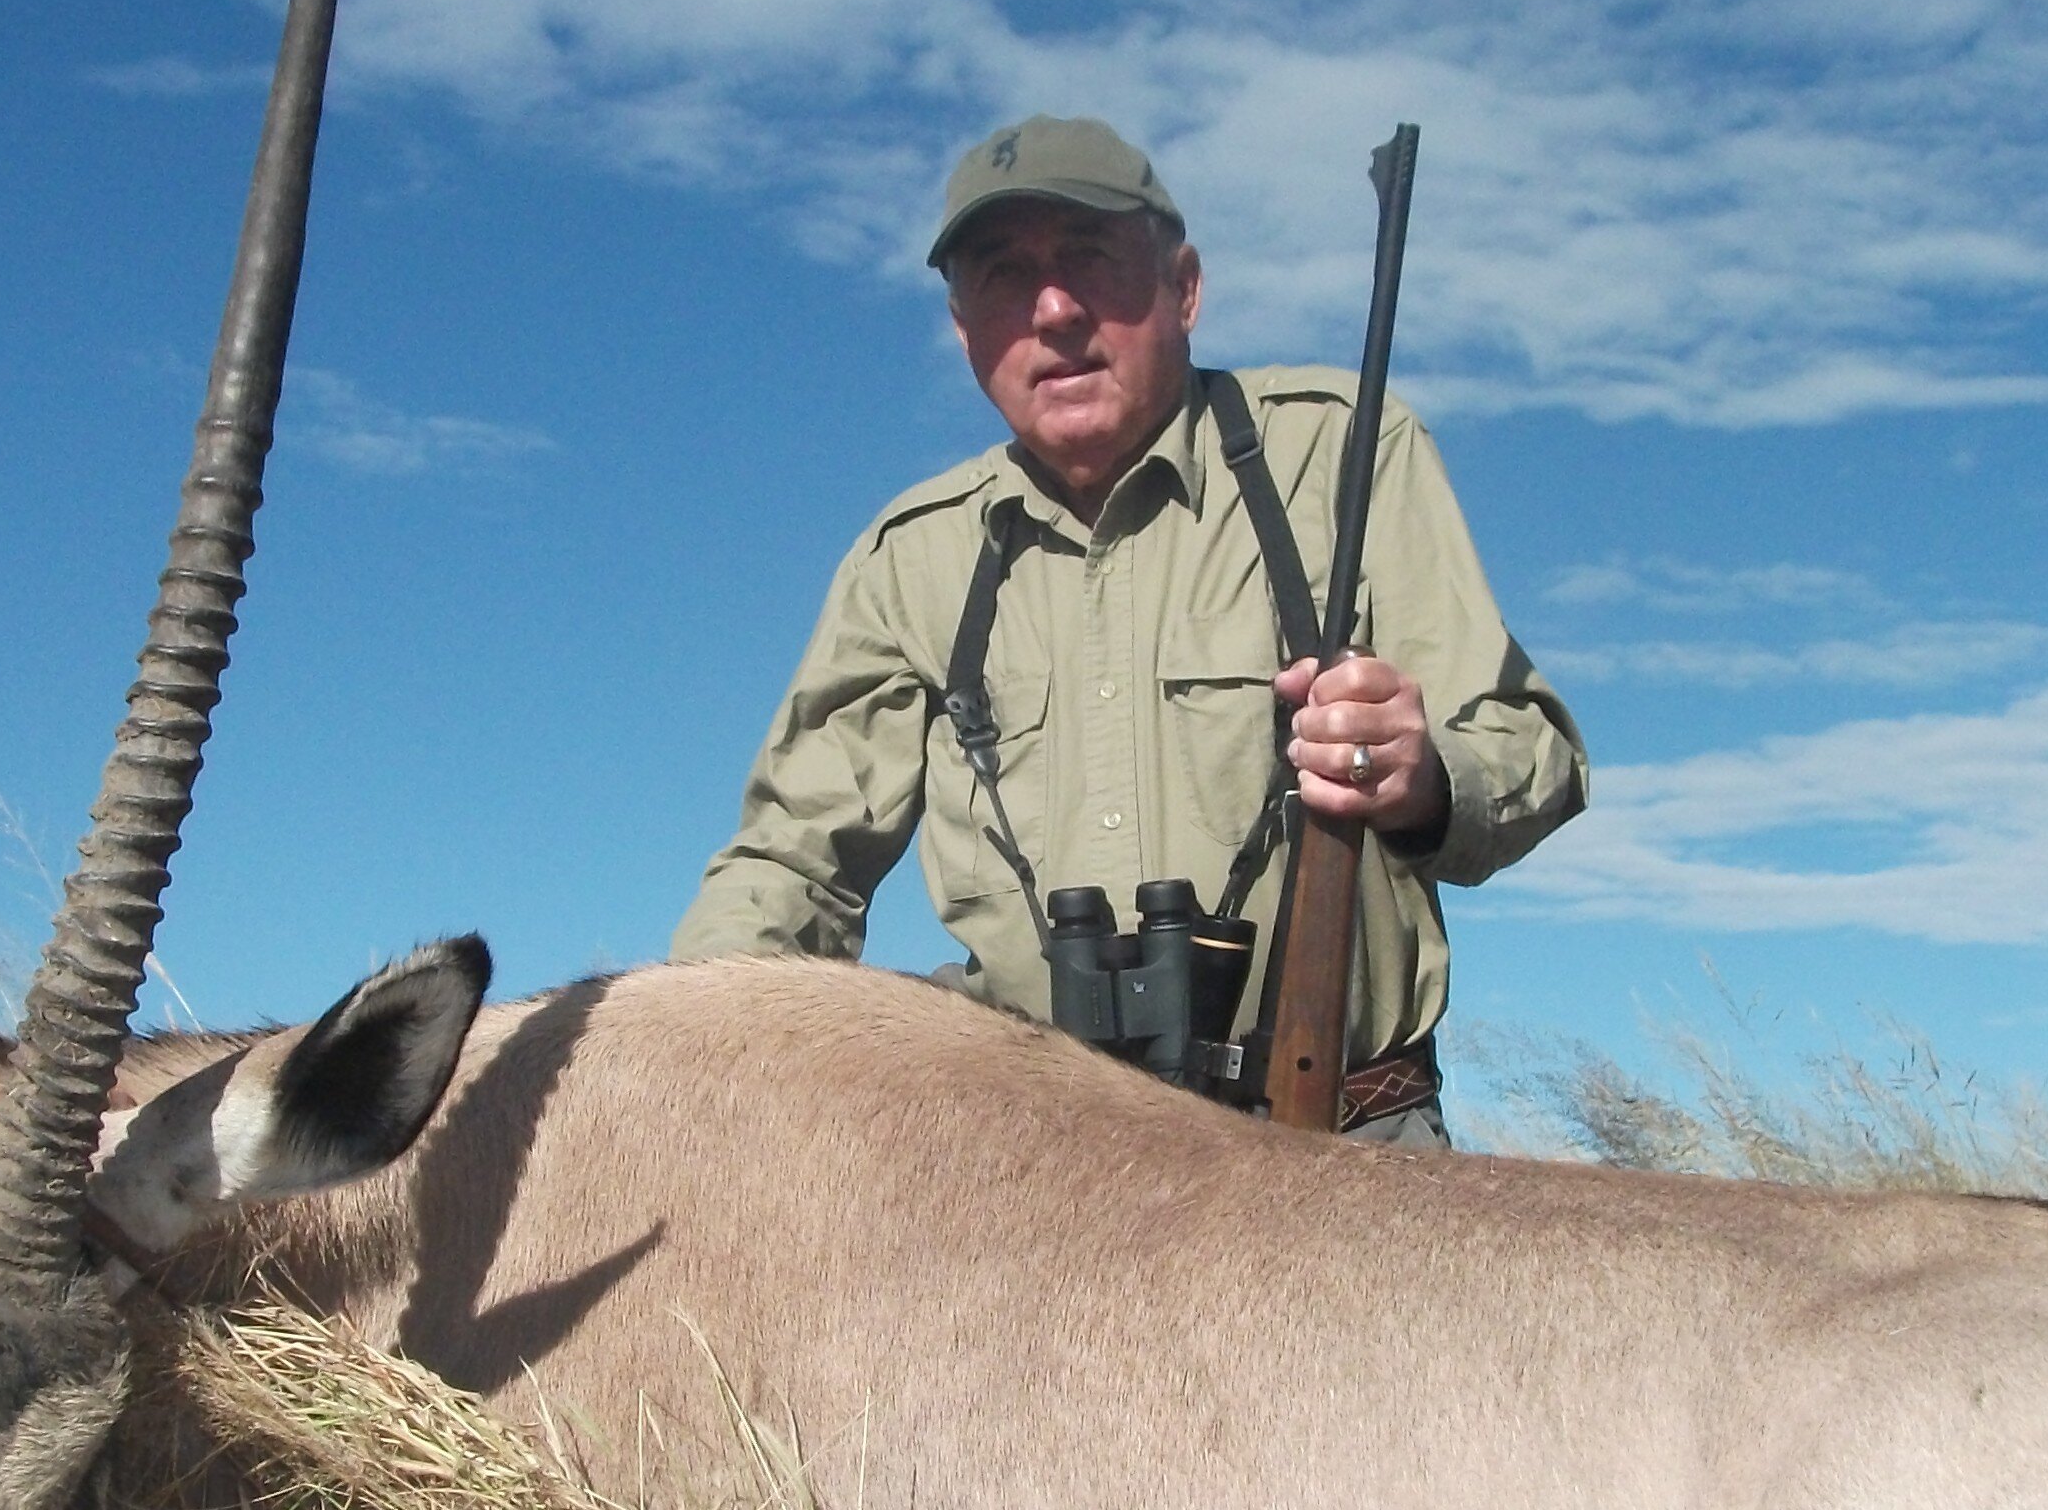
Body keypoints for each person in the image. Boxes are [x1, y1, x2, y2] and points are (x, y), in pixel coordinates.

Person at [669, 115, 1585, 1143]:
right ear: (965, 329)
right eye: (1003, 277)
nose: (1052, 310)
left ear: (1184, 288)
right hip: (1037, 1168)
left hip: (1345, 1147)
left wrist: (1422, 780)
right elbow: (792, 864)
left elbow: (1528, 753)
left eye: (1090, 262)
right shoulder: (908, 556)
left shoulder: (1343, 449)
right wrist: (674, 1054)